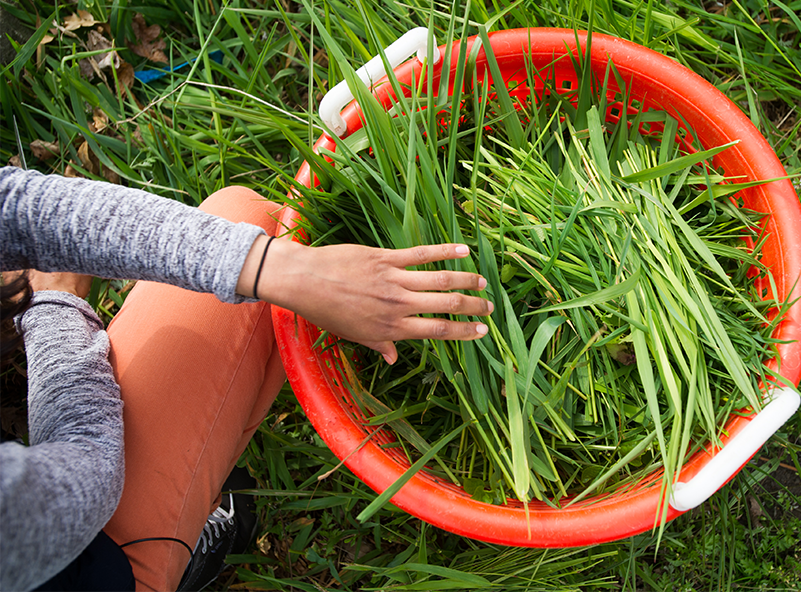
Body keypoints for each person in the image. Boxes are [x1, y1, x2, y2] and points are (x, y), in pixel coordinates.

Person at [0, 165, 494, 592]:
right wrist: (54, 310)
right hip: (77, 541)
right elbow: (84, 476)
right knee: (255, 222)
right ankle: (167, 560)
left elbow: (19, 209)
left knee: (250, 231)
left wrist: (285, 269)